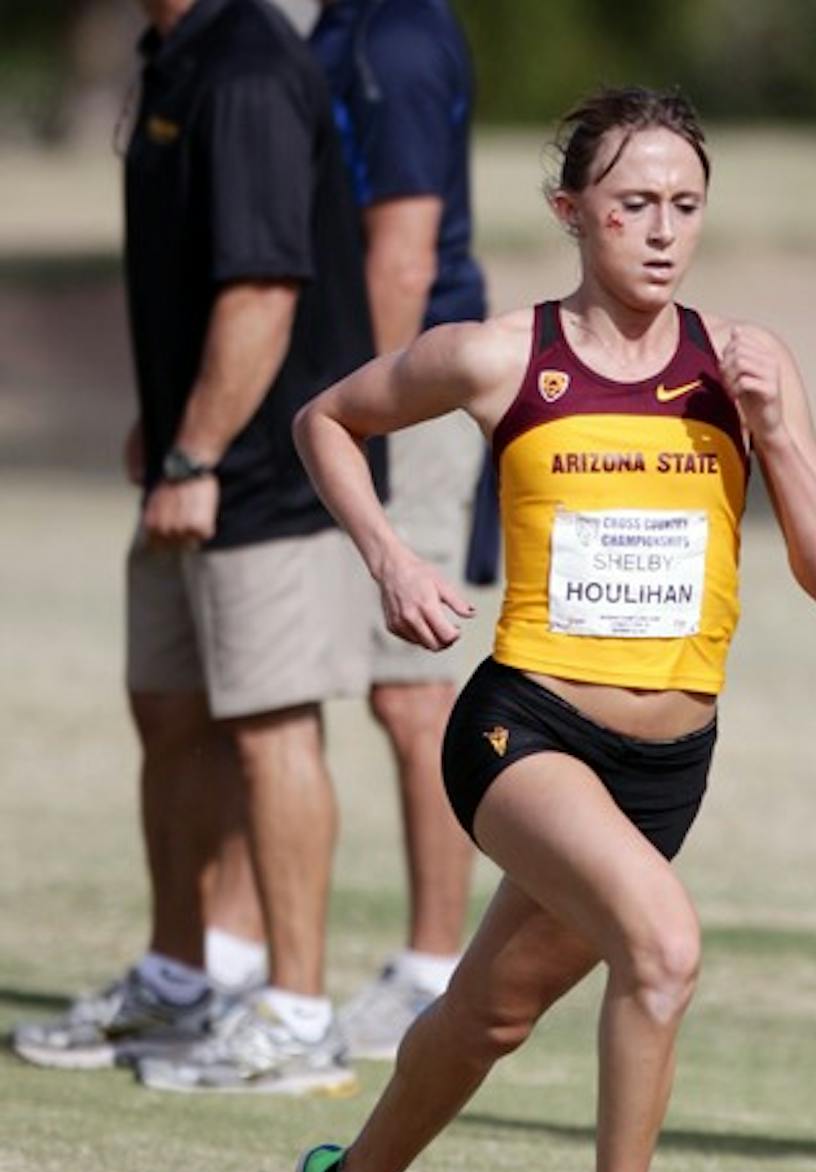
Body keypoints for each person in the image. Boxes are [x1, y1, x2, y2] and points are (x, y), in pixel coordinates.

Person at [282, 83, 816, 1172]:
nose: (662, 232)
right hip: (522, 728)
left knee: (486, 1016)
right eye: (631, 205)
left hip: (666, 769)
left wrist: (775, 431)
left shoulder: (746, 363)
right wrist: (390, 554)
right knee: (662, 947)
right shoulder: (499, 358)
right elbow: (328, 419)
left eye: (684, 206)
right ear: (572, 214)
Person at [13, 0, 384, 1097]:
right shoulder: (172, 58)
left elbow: (266, 294)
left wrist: (199, 452)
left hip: (264, 474)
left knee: (272, 731)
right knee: (170, 712)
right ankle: (181, 981)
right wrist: (168, 427)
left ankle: (299, 1012)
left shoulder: (250, 69)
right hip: (194, 460)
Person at [305, 0, 488, 1058]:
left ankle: (432, 967)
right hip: (356, 391)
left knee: (411, 688)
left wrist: (359, 423)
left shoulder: (397, 36)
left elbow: (406, 253)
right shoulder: (334, 27)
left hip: (401, 389)